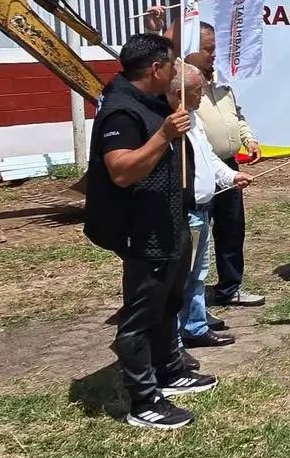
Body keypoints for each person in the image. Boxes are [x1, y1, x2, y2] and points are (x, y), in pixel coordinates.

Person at [84, 33, 214, 432]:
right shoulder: (121, 111)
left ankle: (169, 370)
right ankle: (143, 400)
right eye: (171, 64)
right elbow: (121, 171)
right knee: (141, 314)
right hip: (143, 230)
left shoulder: (150, 101)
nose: (176, 71)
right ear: (155, 69)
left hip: (169, 221)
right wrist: (163, 136)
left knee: (169, 302)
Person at [170, 63, 253, 348]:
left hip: (203, 208)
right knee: (183, 275)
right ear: (179, 93)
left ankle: (195, 324)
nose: (202, 96)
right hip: (188, 210)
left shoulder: (194, 119)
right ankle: (178, 335)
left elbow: (209, 158)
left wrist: (231, 176)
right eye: (197, 92)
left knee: (197, 274)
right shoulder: (172, 123)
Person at [184, 48, 265, 308]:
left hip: (228, 166)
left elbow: (237, 116)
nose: (213, 55)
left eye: (215, 49)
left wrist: (248, 139)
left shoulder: (223, 83)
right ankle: (190, 298)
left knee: (232, 228)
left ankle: (230, 287)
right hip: (199, 167)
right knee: (197, 232)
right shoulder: (184, 88)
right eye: (208, 49)